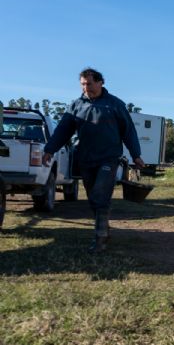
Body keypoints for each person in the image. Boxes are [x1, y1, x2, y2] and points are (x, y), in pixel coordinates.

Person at [42, 68, 144, 252]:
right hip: (86, 158)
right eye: (82, 84)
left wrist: (136, 155)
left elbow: (128, 131)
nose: (85, 88)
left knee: (100, 194)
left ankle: (100, 238)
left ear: (100, 82)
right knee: (93, 198)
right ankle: (104, 227)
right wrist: (50, 150)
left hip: (109, 158)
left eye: (89, 84)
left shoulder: (115, 105)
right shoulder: (76, 106)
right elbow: (63, 130)